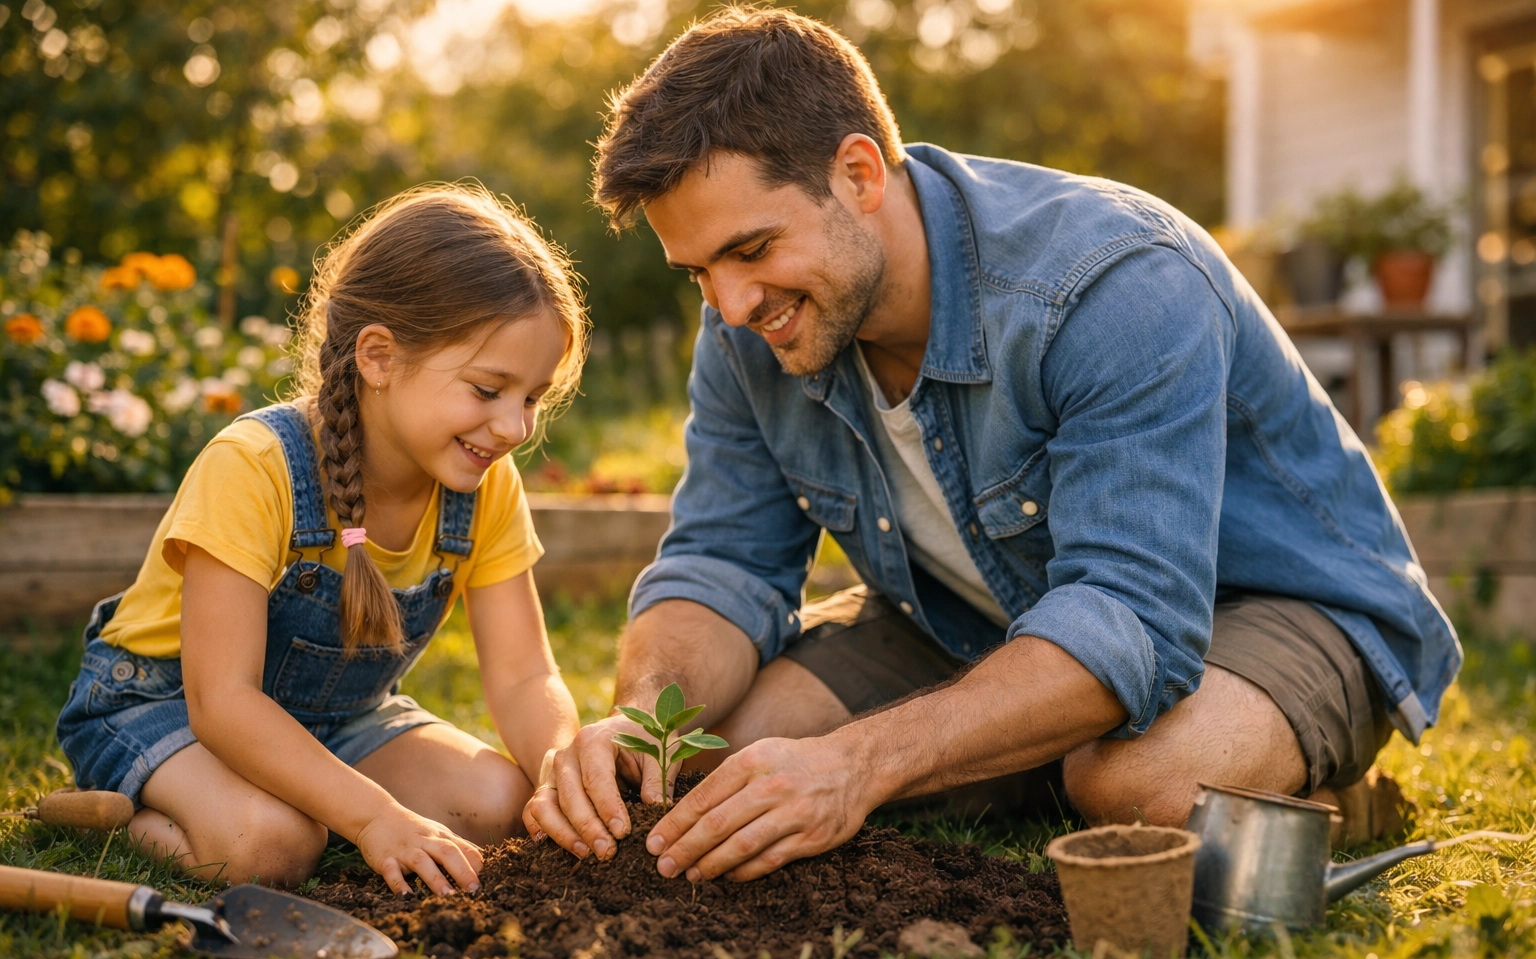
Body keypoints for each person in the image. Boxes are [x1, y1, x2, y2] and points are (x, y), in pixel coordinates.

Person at [524, 8, 1461, 883]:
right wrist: (646, 723)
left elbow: (1130, 617)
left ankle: (1314, 799)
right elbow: (720, 562)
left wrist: (858, 764)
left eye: (752, 250)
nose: (731, 306)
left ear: (859, 173)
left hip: (1269, 603)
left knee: (1135, 787)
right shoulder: (746, 329)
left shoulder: (1112, 283)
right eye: (699, 272)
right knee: (723, 744)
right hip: (978, 615)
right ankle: (1034, 744)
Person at [57, 184, 587, 895]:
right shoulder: (254, 465)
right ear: (378, 357)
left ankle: (309, 800)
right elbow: (223, 702)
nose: (515, 428)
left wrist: (561, 768)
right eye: (488, 390)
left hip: (338, 721)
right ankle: (121, 816)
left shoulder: (485, 486)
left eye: (533, 398)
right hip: (164, 707)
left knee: (496, 805)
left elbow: (524, 674)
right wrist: (373, 819)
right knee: (269, 848)